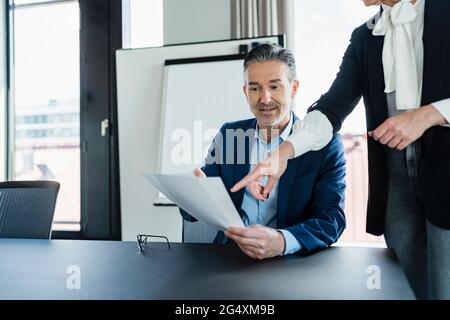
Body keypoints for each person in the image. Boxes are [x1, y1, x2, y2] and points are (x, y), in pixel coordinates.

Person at [232, 0, 450, 299]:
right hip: (394, 171)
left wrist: (428, 115)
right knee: (406, 289)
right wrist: (284, 152)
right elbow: (333, 107)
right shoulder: (365, 36)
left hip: (445, 165)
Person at [179, 43, 347, 260]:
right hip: (230, 258)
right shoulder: (230, 135)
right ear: (245, 92)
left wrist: (282, 241)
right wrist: (193, 197)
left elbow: (331, 220)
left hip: (292, 262)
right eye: (255, 88)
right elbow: (201, 201)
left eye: (275, 87)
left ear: (294, 88)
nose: (265, 98)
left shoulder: (324, 144)